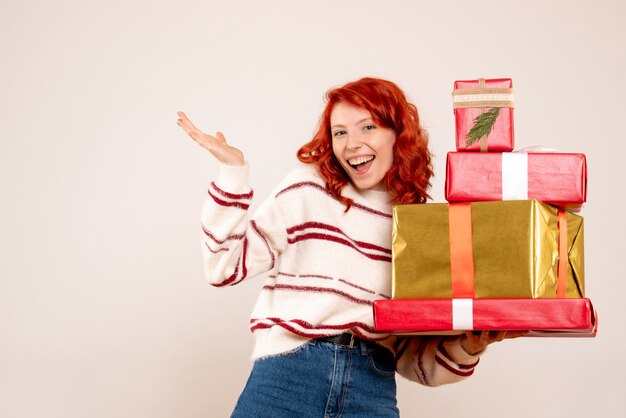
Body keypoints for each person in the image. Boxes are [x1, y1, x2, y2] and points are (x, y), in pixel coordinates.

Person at [177, 77, 521, 417]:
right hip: (288, 377)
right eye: (340, 132)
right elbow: (224, 267)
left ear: (397, 134)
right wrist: (232, 172)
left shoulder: (414, 221)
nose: (352, 143)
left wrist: (471, 345)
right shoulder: (307, 188)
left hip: (372, 386)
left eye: (367, 127)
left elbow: (413, 358)